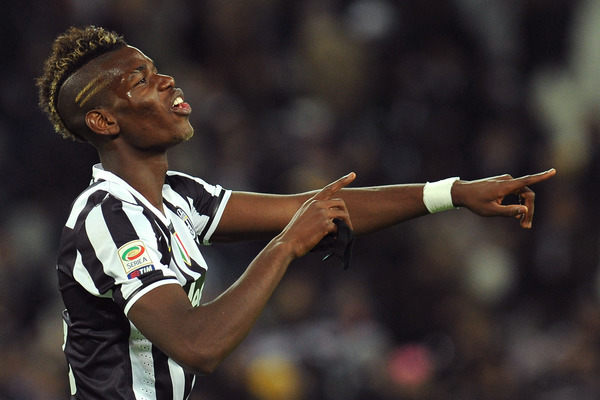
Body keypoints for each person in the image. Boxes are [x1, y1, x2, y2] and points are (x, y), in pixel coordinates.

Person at [36, 26, 555, 400]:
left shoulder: (179, 196)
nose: (167, 80)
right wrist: (285, 245)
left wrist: (454, 193)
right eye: (141, 80)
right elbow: (198, 343)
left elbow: (320, 209)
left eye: (157, 69)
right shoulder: (107, 218)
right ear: (104, 121)